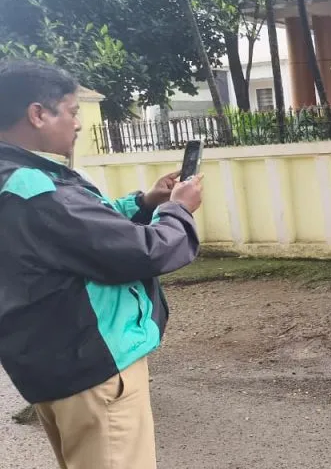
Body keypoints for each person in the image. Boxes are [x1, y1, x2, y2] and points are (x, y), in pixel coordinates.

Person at [0, 60, 204, 469]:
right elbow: (140, 252)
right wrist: (180, 211)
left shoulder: (17, 180)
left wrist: (146, 203)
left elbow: (78, 237)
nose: (77, 124)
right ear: (38, 114)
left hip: (47, 362)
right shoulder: (33, 187)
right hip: (92, 367)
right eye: (72, 111)